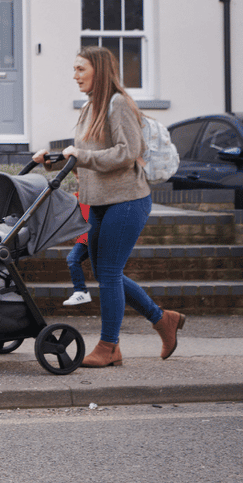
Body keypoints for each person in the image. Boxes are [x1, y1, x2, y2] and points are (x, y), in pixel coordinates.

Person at [33, 46, 184, 367]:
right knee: (105, 272)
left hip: (127, 201)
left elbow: (127, 152)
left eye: (80, 69)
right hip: (100, 201)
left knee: (110, 273)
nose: (74, 76)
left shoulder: (119, 105)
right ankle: (162, 320)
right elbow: (85, 155)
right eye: (74, 70)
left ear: (98, 71)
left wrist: (81, 154)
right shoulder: (90, 108)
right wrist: (52, 159)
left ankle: (109, 347)